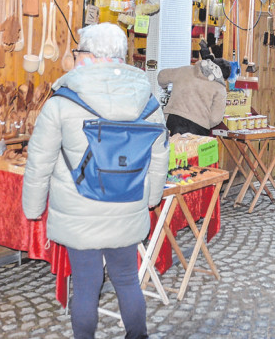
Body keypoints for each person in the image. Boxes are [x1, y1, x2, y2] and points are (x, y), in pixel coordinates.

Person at [21, 23, 168, 339]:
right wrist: (152, 198)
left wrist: (32, 209)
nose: (74, 58)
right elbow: (159, 155)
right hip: (127, 204)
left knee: (86, 284)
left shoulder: (62, 101)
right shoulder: (147, 100)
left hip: (79, 210)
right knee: (127, 279)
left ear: (87, 56)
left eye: (77, 53)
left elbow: (39, 161)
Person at [158, 58, 228, 136]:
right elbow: (215, 119)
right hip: (199, 127)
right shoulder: (220, 88)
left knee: (173, 147)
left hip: (174, 120)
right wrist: (204, 122)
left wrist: (164, 86)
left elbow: (161, 76)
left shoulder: (185, 70)